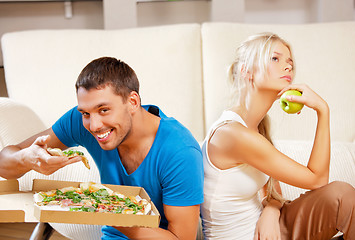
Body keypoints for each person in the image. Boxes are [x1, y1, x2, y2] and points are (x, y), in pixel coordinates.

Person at [0, 57, 204, 239]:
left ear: (133, 102)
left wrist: (102, 210)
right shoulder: (82, 122)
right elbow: (4, 164)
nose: (94, 125)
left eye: (104, 110)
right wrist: (27, 159)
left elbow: (181, 238)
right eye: (86, 113)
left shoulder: (180, 152)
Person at [201, 33, 355, 240]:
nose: (288, 66)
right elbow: (317, 179)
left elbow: (273, 189)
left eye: (290, 61)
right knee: (341, 195)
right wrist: (322, 110)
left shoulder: (256, 128)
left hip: (273, 228)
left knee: (343, 198)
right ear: (247, 71)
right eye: (275, 58)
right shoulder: (233, 134)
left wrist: (271, 211)